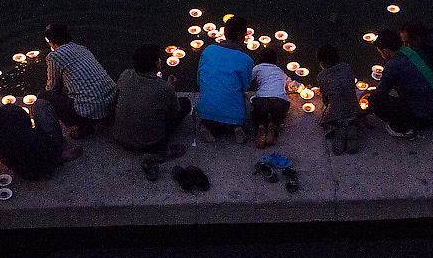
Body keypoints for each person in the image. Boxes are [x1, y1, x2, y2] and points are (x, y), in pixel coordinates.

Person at [0, 87, 81, 185]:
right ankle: (59, 152)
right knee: (40, 104)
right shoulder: (11, 109)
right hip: (46, 153)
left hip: (28, 173)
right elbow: (29, 128)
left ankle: (57, 156)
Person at [39, 22, 117, 139]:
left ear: (50, 41)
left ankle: (81, 126)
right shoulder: (82, 48)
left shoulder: (54, 56)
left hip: (90, 114)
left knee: (44, 95)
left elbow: (53, 88)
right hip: (113, 104)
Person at [113, 43, 192, 154]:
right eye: (159, 59)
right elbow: (175, 113)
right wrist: (170, 87)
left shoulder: (125, 75)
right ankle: (159, 153)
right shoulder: (165, 89)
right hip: (150, 144)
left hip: (120, 137)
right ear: (156, 63)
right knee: (185, 103)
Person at [369, 29, 433, 139]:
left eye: (381, 53)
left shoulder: (392, 66)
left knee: (374, 100)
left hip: (424, 119)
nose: (382, 56)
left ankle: (403, 129)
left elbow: (380, 93)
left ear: (386, 51)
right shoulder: (416, 52)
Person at [195, 15, 254, 143]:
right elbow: (244, 86)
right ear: (240, 37)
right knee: (241, 102)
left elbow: (199, 80)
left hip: (206, 111)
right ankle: (236, 127)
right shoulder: (246, 60)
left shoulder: (208, 50)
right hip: (234, 115)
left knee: (204, 112)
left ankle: (206, 126)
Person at [250, 47, 300, 148]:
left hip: (261, 101)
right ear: (275, 61)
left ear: (259, 60)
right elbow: (292, 85)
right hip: (280, 102)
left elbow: (248, 78)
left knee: (258, 113)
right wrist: (301, 87)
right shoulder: (280, 71)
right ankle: (273, 124)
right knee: (279, 114)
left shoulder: (258, 68)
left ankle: (261, 125)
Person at [317, 44, 362, 155]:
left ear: (321, 63)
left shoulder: (322, 76)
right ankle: (351, 127)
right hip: (355, 112)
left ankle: (339, 129)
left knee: (327, 109)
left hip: (336, 116)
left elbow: (326, 100)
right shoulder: (347, 67)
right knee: (348, 109)